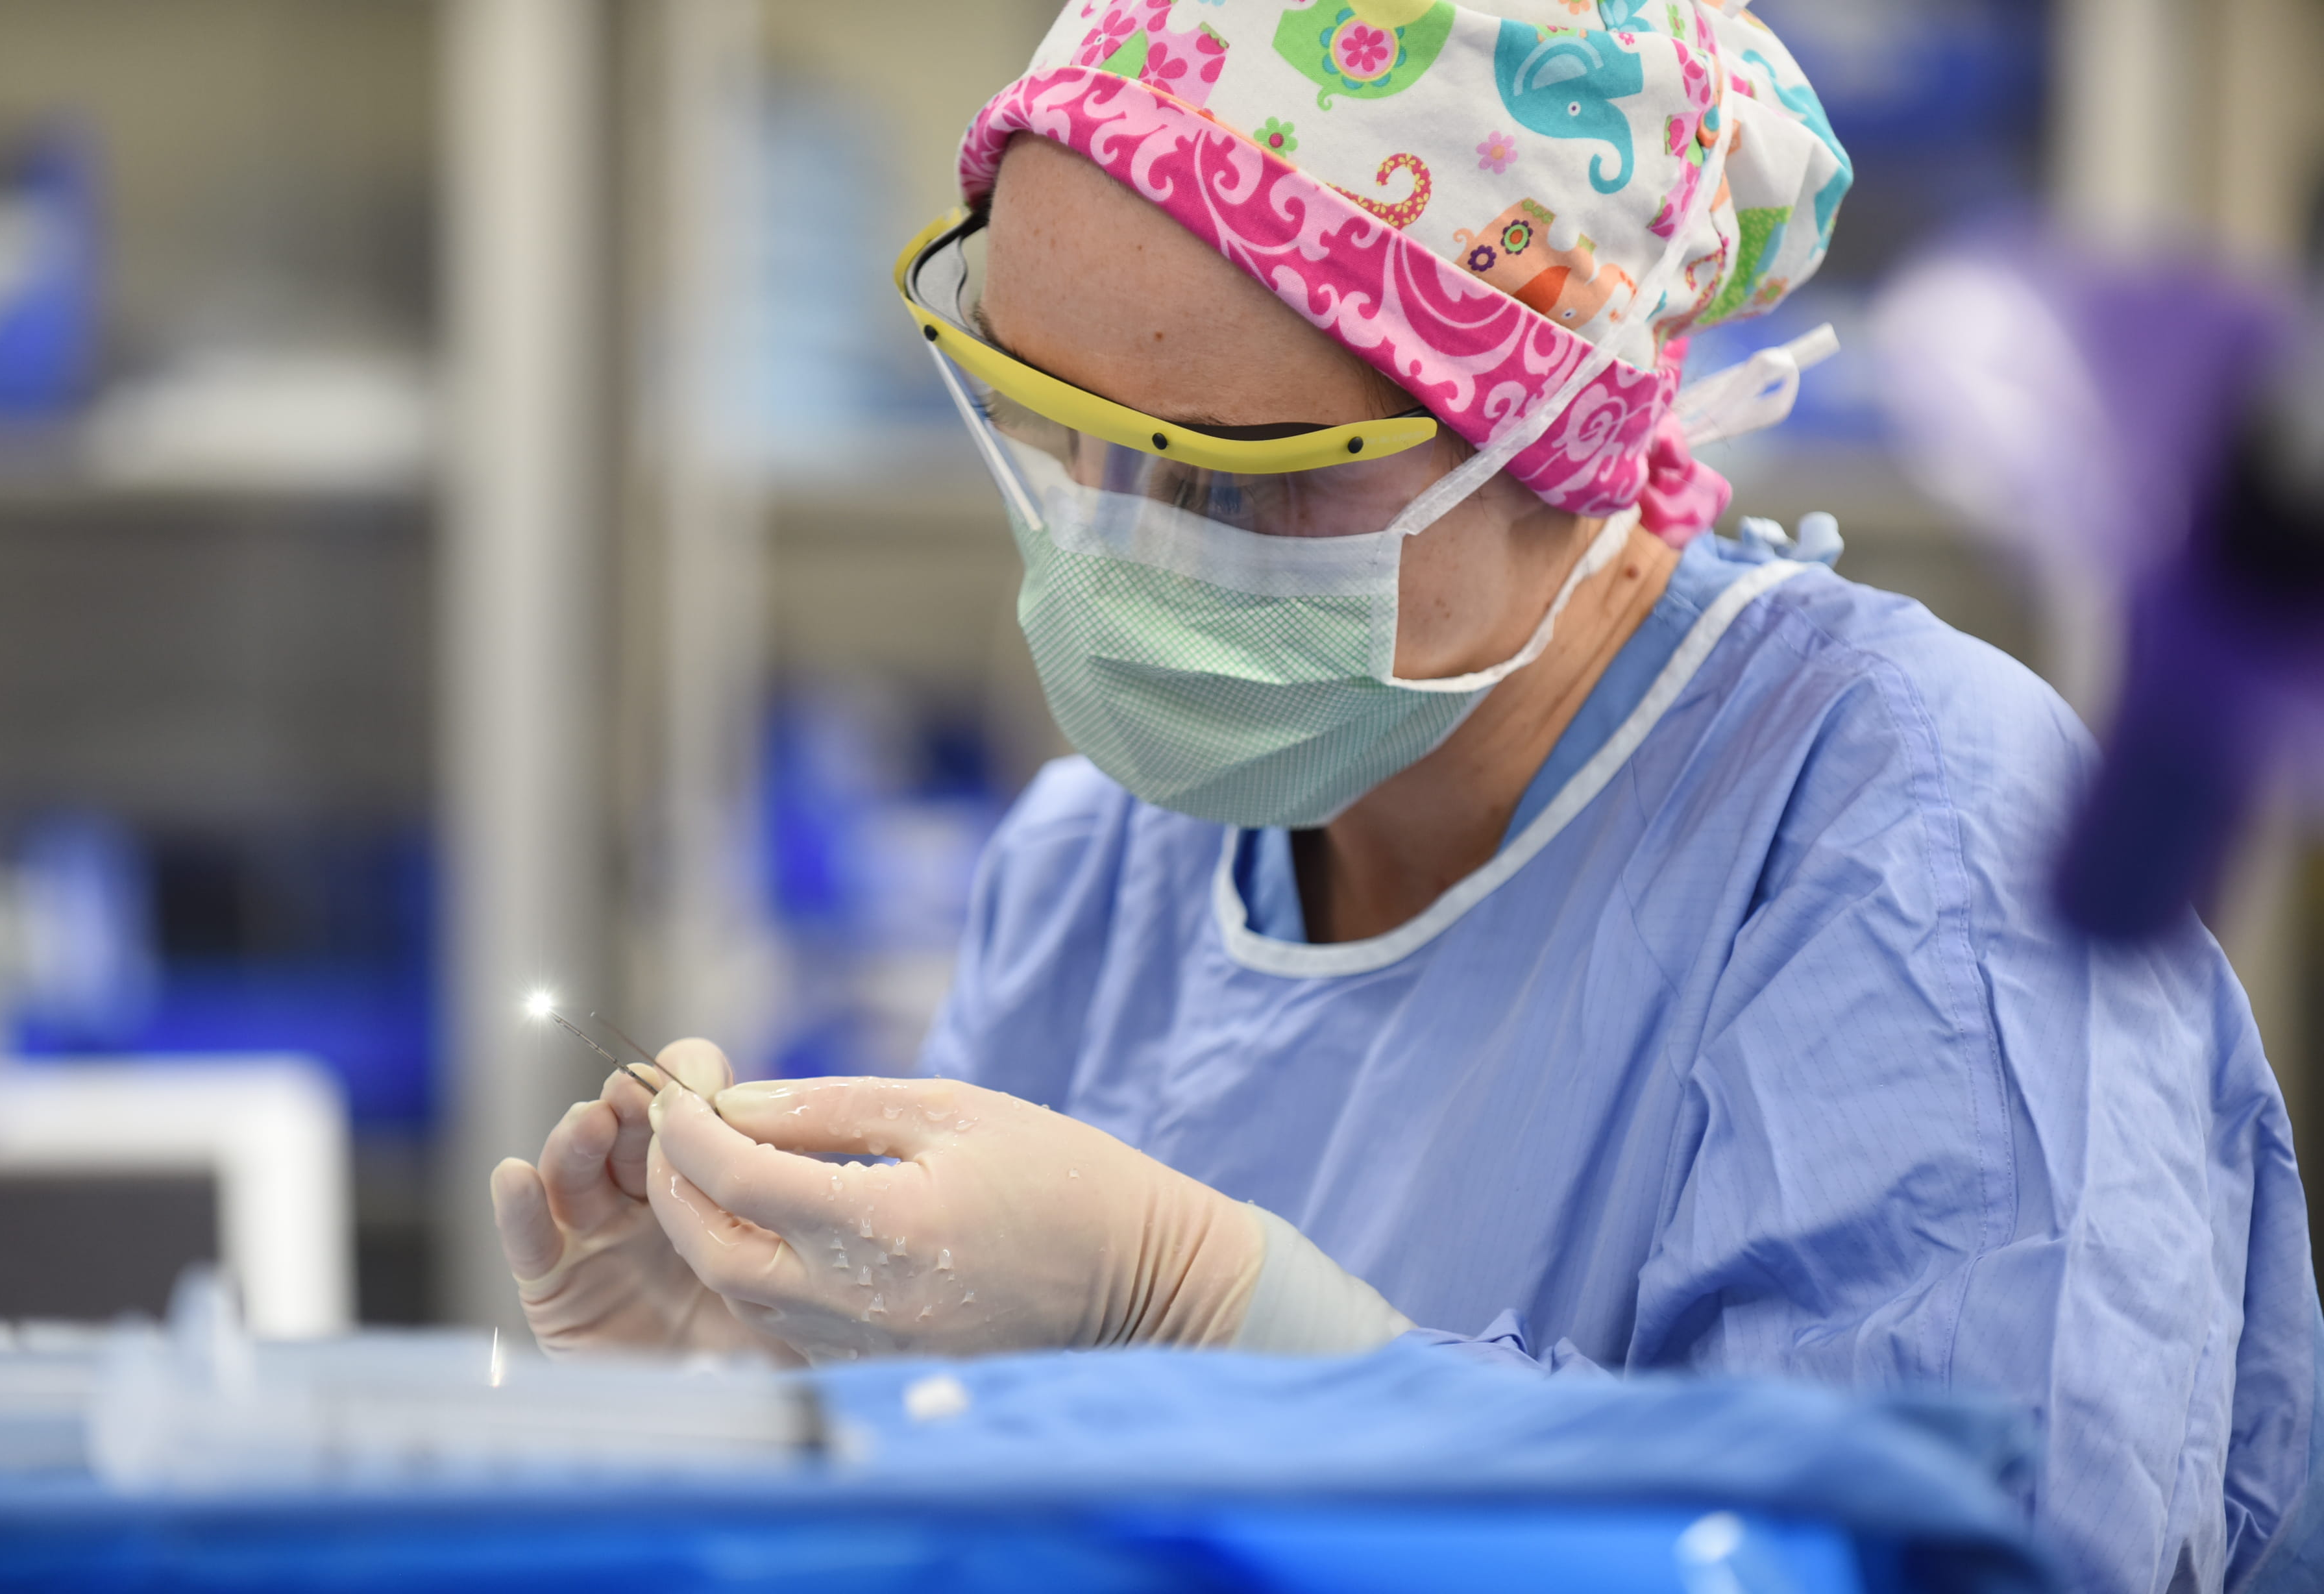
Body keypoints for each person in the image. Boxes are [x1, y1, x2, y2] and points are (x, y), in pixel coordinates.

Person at [490, 3, 2321, 1588]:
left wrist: (1215, 1318)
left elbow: (1950, 1559)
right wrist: (772, 1425)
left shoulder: (1912, 844)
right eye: (1045, 422)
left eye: (1250, 481)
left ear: (1556, 436)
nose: (1115, 557)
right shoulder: (1096, 883)